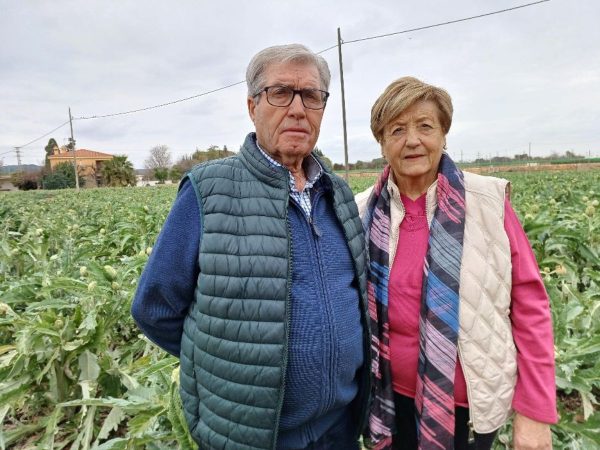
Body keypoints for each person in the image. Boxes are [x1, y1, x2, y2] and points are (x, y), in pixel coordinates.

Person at [131, 44, 371, 450]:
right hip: (253, 437)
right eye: (280, 92)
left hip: (339, 430)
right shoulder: (208, 190)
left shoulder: (339, 194)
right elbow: (155, 309)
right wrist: (219, 365)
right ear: (252, 106)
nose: (297, 109)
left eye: (311, 96)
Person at [355, 77, 557, 450]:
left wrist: (535, 412)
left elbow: (531, 308)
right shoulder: (362, 210)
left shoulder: (488, 202)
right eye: (397, 129)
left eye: (425, 126)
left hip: (469, 408)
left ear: (444, 135)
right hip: (387, 403)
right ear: (382, 143)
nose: (412, 140)